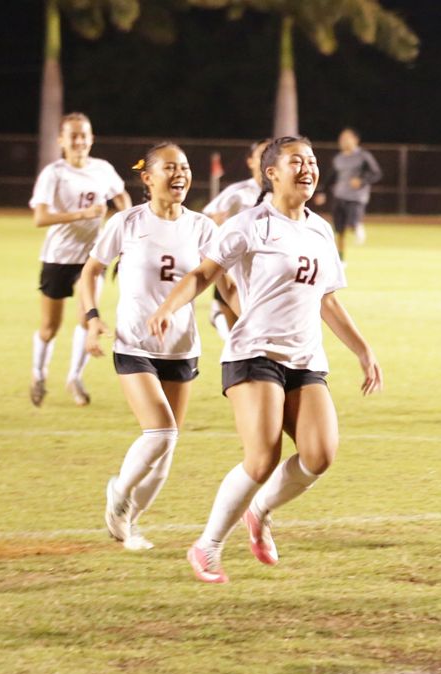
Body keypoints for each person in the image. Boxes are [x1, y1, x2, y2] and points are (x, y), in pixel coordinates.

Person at [146, 136, 384, 584]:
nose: (308, 168)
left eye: (312, 161)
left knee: (320, 455)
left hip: (305, 359)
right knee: (262, 459)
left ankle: (259, 510)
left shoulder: (320, 229)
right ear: (271, 173)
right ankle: (208, 546)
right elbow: (204, 273)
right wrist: (168, 308)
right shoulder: (250, 224)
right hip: (254, 352)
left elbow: (327, 300)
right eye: (297, 161)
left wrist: (363, 350)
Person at [76, 143, 218, 550]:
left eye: (184, 167)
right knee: (161, 432)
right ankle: (119, 493)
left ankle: (130, 523)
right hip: (134, 344)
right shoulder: (127, 222)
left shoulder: (203, 227)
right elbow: (91, 272)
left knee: (167, 448)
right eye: (170, 168)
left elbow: (220, 279)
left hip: (182, 347)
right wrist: (92, 318)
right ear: (148, 178)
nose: (180, 174)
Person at [28, 112, 132, 407]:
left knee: (88, 319)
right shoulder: (54, 173)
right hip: (58, 257)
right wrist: (83, 214)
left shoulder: (102, 169)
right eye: (73, 135)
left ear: (92, 138)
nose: (79, 141)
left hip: (92, 258)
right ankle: (38, 374)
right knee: (50, 326)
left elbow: (121, 196)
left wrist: (125, 223)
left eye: (84, 135)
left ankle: (74, 377)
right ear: (61, 140)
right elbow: (40, 218)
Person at [201, 138, 268, 339]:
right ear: (250, 161)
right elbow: (206, 218)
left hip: (265, 270)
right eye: (262, 155)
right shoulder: (238, 192)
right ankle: (220, 312)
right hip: (234, 270)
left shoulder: (281, 195)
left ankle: (219, 314)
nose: (268, 159)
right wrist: (215, 220)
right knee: (238, 336)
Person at [328, 127, 383, 259]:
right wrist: (323, 192)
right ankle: (341, 258)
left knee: (352, 223)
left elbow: (376, 173)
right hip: (339, 196)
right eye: (341, 138)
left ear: (355, 140)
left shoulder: (363, 156)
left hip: (356, 197)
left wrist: (362, 181)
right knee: (339, 231)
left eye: (346, 138)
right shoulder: (338, 158)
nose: (343, 141)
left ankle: (357, 225)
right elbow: (331, 177)